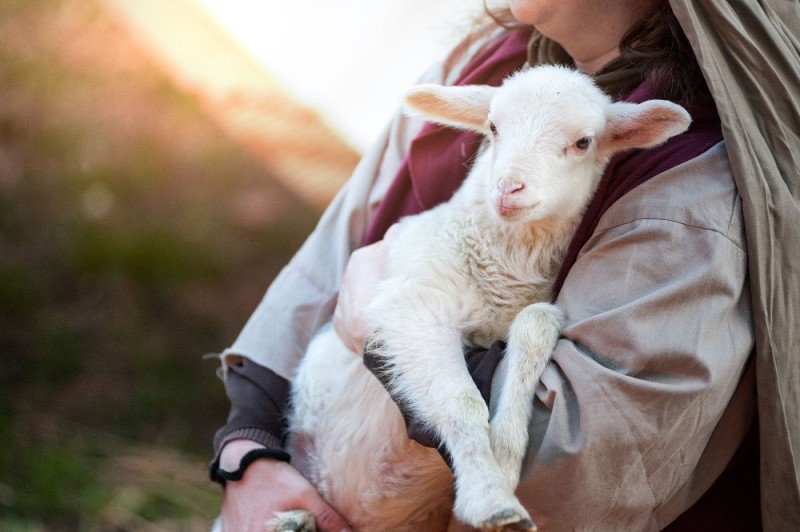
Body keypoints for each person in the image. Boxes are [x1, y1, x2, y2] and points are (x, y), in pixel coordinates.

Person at [209, 1, 800, 530]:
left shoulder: (692, 183)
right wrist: (249, 451)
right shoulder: (487, 60)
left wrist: (390, 330)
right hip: (297, 487)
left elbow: (597, 455)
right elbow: (329, 257)